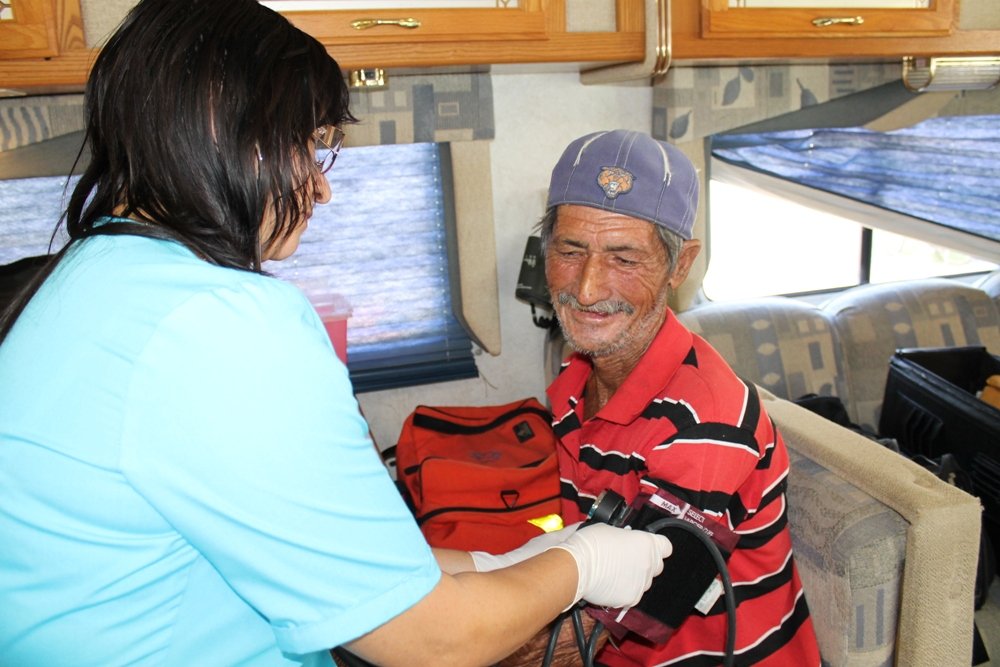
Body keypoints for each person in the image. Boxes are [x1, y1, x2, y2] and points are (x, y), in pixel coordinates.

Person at [0, 5, 673, 666]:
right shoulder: (222, 324)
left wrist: (498, 563)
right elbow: (433, 641)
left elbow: (327, 551)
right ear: (223, 128)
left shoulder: (80, 276)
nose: (320, 187)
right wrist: (580, 563)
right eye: (308, 146)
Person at [539, 130, 821, 666]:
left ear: (680, 265)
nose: (589, 287)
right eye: (571, 250)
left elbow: (592, 636)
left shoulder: (704, 419)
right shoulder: (577, 376)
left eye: (625, 259)